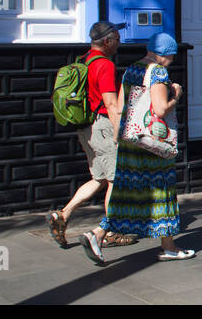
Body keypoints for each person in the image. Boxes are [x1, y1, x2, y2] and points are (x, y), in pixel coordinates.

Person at [82, 32, 194, 264]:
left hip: (131, 140)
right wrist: (177, 95)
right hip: (151, 145)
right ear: (168, 53)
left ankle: (98, 234)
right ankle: (169, 247)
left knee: (130, 195)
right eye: (172, 55)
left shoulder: (132, 69)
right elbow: (161, 109)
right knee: (161, 192)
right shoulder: (158, 72)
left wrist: (118, 137)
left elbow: (121, 107)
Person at [48, 21, 136, 248]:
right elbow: (110, 102)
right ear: (106, 41)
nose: (119, 43)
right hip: (104, 127)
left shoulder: (85, 59)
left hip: (87, 128)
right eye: (117, 39)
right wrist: (120, 133)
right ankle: (110, 233)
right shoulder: (105, 65)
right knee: (115, 181)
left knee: (99, 178)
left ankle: (63, 215)